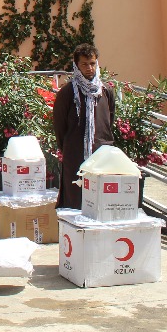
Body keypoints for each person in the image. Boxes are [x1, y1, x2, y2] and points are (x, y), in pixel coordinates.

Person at [53, 43, 117, 209]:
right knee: (75, 196)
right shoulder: (68, 92)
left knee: (101, 197)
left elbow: (109, 120)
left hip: (101, 151)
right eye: (84, 64)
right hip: (75, 152)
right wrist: (68, 147)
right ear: (76, 65)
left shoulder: (105, 91)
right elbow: (59, 125)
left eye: (92, 63)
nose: (89, 68)